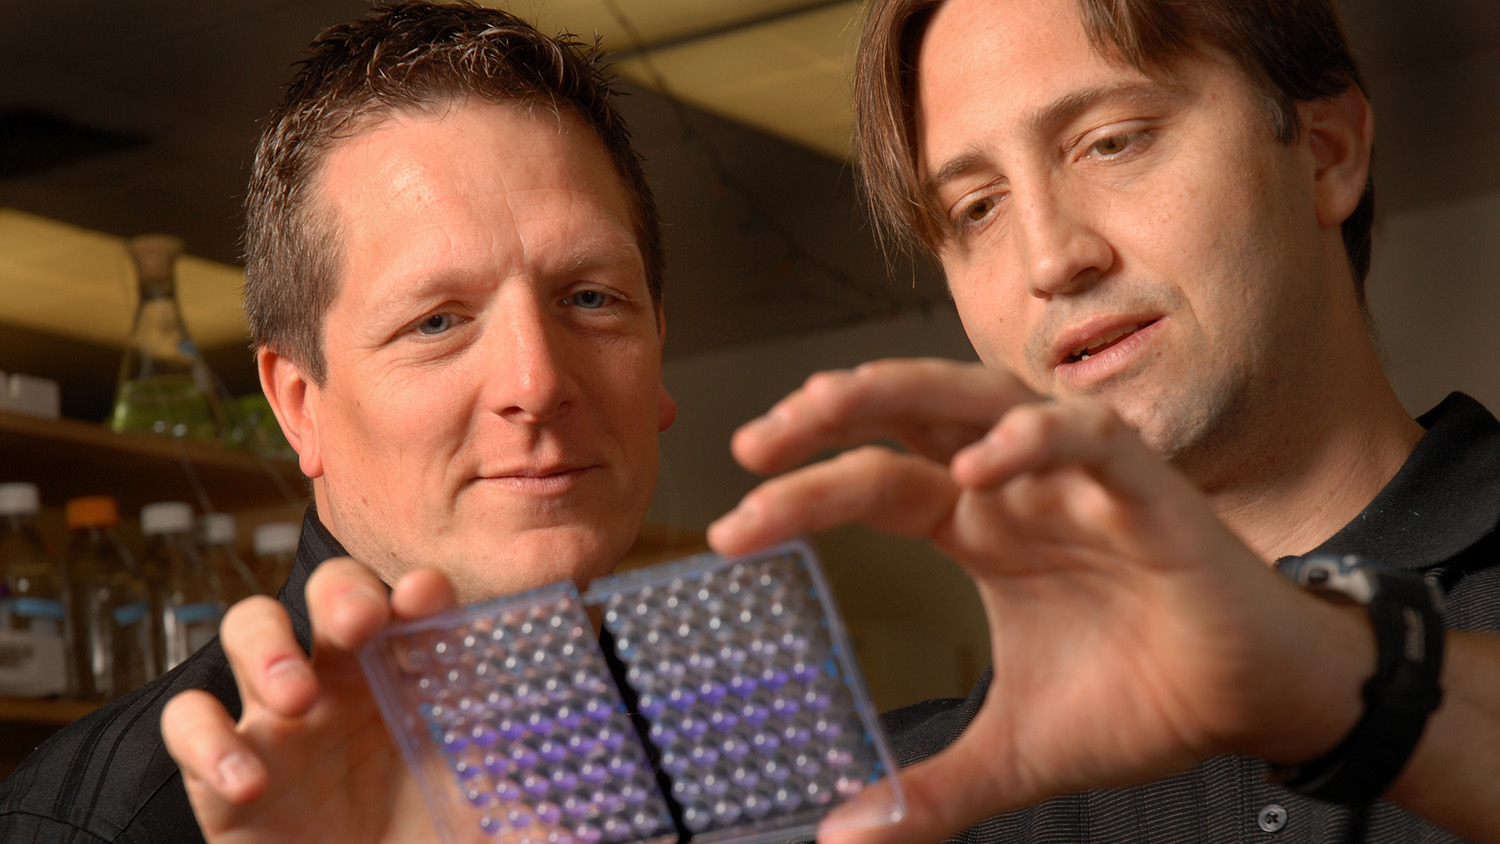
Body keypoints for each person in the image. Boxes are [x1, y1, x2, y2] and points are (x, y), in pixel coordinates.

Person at [706, 0, 1500, 842]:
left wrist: (1346, 682)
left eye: (1112, 141)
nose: (1050, 258)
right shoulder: (930, 800)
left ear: (1326, 151)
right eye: (978, 206)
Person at [0, 2, 675, 841]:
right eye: (436, 321)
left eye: (589, 297)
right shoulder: (118, 823)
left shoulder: (744, 759)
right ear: (298, 405)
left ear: (656, 359)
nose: (536, 383)